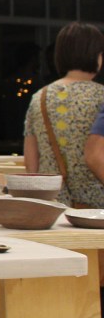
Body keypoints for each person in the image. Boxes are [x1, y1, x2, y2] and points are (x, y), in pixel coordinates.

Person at [23, 22, 104, 207]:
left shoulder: (40, 97)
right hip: (95, 208)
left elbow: (31, 164)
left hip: (50, 205)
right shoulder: (101, 96)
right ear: (95, 55)